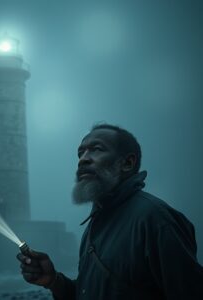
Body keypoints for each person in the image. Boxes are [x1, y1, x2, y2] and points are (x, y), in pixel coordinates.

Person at [16, 123, 203, 299]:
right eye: (80, 153)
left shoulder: (156, 220)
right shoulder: (95, 223)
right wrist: (53, 280)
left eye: (97, 149)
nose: (83, 159)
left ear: (127, 163)